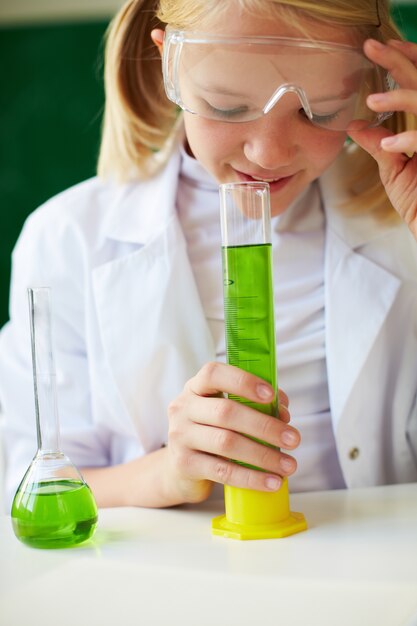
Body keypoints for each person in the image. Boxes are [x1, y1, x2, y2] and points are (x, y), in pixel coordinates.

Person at [1, 0, 416, 511]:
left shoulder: (403, 220)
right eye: (227, 106)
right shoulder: (67, 239)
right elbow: (30, 486)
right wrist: (167, 472)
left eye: (320, 111)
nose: (269, 155)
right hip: (178, 584)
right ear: (168, 64)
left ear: (368, 84)